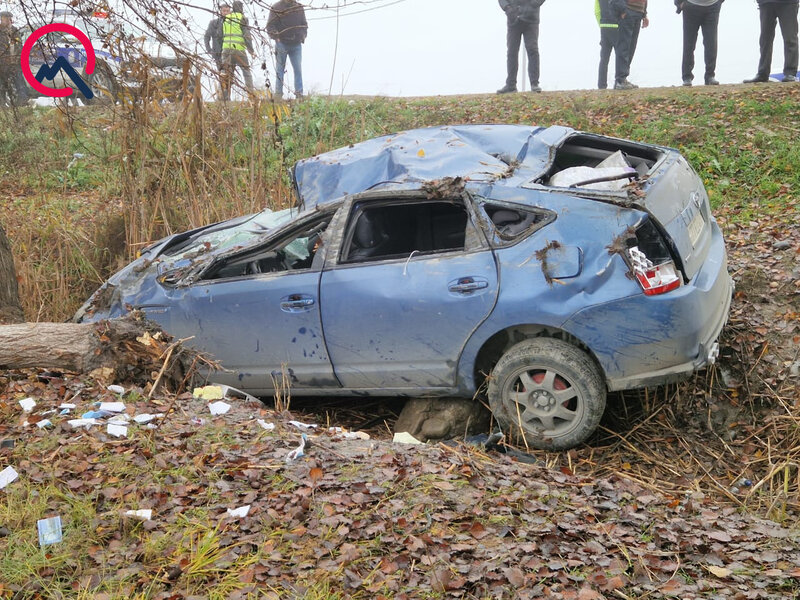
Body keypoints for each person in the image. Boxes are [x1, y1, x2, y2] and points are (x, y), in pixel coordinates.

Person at [496, 0, 546, 94]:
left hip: (531, 19)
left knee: (532, 50)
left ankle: (534, 83)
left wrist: (534, 4)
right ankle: (511, 85)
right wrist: (507, 8)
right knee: (512, 52)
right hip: (513, 19)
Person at [744, 0, 799, 83]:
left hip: (788, 3)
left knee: (790, 38)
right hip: (766, 2)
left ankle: (790, 73)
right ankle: (763, 73)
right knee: (765, 40)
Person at [676, 0, 723, 86]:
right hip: (691, 6)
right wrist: (679, 3)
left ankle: (710, 75)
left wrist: (719, 2)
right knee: (689, 43)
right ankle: (687, 76)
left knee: (711, 42)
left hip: (712, 6)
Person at [267, 0, 308, 100]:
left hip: (296, 44)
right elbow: (270, 26)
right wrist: (276, 37)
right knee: (280, 70)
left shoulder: (299, 7)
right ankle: (278, 95)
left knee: (298, 69)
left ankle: (299, 94)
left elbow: (304, 24)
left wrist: (302, 36)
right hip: (281, 43)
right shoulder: (276, 7)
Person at [221, 0, 254, 100]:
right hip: (239, 50)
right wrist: (251, 50)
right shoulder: (242, 18)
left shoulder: (226, 18)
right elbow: (247, 35)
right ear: (241, 8)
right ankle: (251, 95)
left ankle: (225, 98)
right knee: (246, 72)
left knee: (226, 74)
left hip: (226, 50)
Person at [614, 0, 649, 90]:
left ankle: (623, 79)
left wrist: (644, 13)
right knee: (624, 46)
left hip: (638, 13)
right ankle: (620, 80)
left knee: (631, 48)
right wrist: (622, 10)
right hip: (628, 11)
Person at [596, 0, 624, 90]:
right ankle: (619, 82)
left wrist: (601, 25)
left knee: (604, 58)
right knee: (620, 56)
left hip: (604, 26)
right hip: (616, 26)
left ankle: (602, 85)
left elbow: (596, 12)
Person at [0, 11, 26, 107]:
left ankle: (21, 103)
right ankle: (2, 105)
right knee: (2, 84)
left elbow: (20, 45)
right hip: (2, 63)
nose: (8, 20)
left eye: (10, 18)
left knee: (19, 82)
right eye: (6, 18)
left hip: (15, 62)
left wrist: (18, 57)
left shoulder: (15, 31)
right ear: (1, 19)